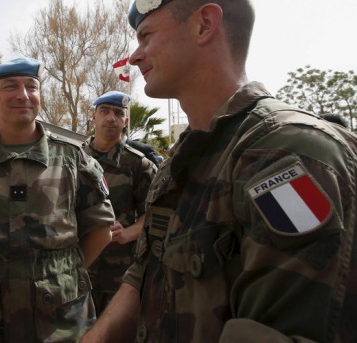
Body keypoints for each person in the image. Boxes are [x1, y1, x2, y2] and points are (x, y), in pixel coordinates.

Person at [82, 1, 357, 342]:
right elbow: (143, 274)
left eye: (146, 36)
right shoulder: (179, 163)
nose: (136, 56)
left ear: (204, 24)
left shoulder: (284, 153)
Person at [0, 57, 115, 342]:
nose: (23, 95)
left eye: (31, 87)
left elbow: (101, 231)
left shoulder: (73, 160)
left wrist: (62, 272)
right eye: (11, 87)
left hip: (62, 322)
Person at [82, 91, 156, 314]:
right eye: (104, 111)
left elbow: (156, 213)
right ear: (94, 117)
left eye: (118, 113)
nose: (111, 118)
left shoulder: (139, 165)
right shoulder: (73, 158)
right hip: (77, 268)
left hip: (118, 273)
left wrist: (129, 232)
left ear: (126, 121)